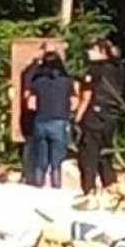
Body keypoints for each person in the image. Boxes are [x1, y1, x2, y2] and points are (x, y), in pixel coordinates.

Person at [75, 39, 125, 195]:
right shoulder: (118, 69)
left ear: (102, 51)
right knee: (106, 152)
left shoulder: (95, 70)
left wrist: (77, 117)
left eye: (92, 49)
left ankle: (88, 188)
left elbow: (87, 95)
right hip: (111, 114)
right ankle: (110, 185)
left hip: (93, 114)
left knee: (88, 153)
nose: (89, 52)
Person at [27, 51, 77, 189]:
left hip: (41, 121)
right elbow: (74, 103)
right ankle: (56, 186)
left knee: (40, 159)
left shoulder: (37, 82)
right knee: (57, 160)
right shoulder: (67, 82)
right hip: (59, 121)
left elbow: (30, 105)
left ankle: (38, 185)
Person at [18, 41, 58, 186]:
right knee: (32, 145)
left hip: (46, 114)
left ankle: (39, 178)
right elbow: (27, 94)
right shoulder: (34, 71)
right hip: (34, 115)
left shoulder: (48, 72)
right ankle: (31, 177)